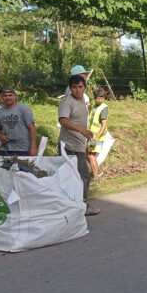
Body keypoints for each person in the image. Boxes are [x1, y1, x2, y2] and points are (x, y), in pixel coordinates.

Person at [58, 74, 98, 216]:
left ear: (84, 88)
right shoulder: (66, 102)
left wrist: (87, 138)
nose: (77, 90)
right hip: (68, 146)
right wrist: (82, 130)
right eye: (74, 87)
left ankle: (75, 205)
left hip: (80, 145)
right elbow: (63, 121)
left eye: (80, 87)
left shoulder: (83, 101)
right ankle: (82, 205)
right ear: (70, 88)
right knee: (83, 176)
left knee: (79, 177)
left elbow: (82, 121)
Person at [0, 88, 37, 157]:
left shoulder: (24, 109)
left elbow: (32, 128)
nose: (8, 97)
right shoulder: (0, 112)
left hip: (23, 148)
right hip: (6, 148)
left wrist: (33, 146)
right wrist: (0, 136)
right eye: (5, 96)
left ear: (15, 97)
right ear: (2, 98)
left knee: (23, 167)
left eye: (10, 95)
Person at [87, 87, 110, 177]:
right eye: (98, 98)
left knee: (90, 155)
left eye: (102, 98)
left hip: (96, 136)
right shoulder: (94, 106)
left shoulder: (103, 108)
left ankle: (96, 175)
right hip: (91, 135)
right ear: (95, 98)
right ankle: (96, 173)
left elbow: (104, 124)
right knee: (89, 154)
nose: (100, 99)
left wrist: (97, 136)